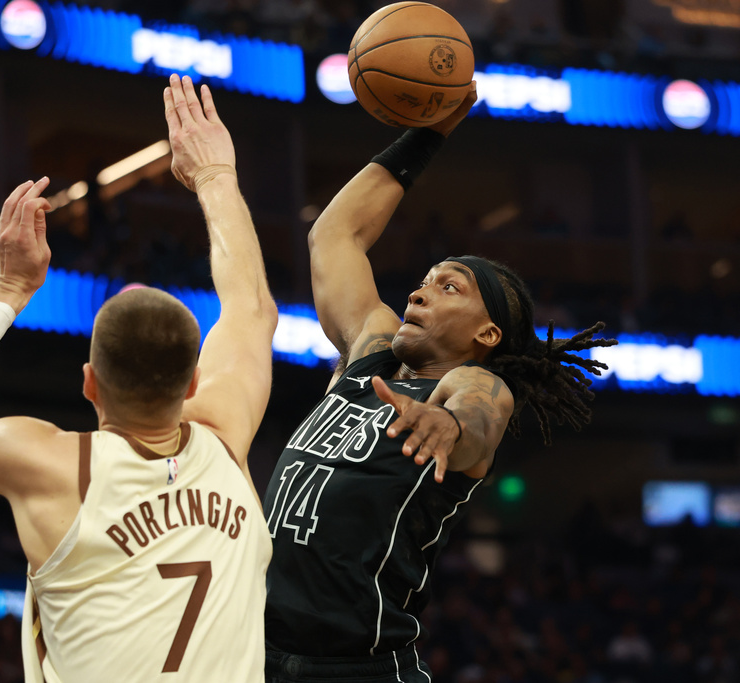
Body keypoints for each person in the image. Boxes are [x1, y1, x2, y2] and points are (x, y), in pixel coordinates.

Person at [0, 74, 277, 683]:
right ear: (194, 381)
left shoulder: (50, 466)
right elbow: (252, 308)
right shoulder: (225, 440)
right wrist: (215, 178)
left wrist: (8, 290)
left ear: (88, 383)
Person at [262, 83, 618, 682]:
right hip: (254, 656)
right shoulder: (368, 353)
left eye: (449, 287)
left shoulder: (473, 385)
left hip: (360, 669)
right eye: (425, 280)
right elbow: (334, 236)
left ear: (487, 335)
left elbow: (482, 416)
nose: (418, 291)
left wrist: (448, 427)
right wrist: (427, 134)